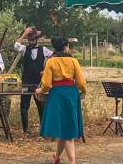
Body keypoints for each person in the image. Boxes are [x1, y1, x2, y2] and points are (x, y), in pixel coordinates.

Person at [35, 36, 86, 164]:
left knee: (64, 130)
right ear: (66, 46)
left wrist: (39, 91)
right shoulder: (73, 61)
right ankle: (71, 161)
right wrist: (83, 90)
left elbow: (46, 84)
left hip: (57, 95)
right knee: (67, 129)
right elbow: (81, 82)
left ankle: (60, 158)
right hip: (70, 94)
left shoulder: (51, 62)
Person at [14, 26, 53, 133]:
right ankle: (25, 130)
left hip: (39, 83)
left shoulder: (44, 50)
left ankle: (44, 129)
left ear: (37, 39)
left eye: (32, 39)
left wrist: (46, 69)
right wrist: (24, 33)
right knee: (24, 106)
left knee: (41, 106)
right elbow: (16, 45)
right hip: (26, 82)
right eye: (29, 39)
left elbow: (54, 57)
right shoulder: (24, 49)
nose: (30, 41)